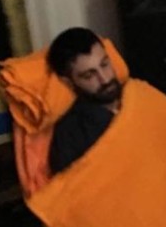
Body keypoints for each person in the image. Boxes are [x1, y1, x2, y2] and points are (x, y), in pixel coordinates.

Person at [46, 27, 123, 175]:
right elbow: (76, 186)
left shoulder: (138, 95)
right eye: (89, 75)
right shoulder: (70, 134)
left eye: (104, 64)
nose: (105, 79)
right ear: (69, 82)